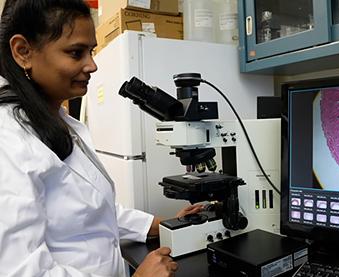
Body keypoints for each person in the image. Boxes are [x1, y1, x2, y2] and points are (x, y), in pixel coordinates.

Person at [0, 0, 203, 276]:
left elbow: (92, 213)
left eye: (92, 51)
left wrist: (163, 224)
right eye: (76, 53)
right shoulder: (7, 139)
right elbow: (20, 270)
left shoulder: (55, 120)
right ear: (23, 51)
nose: (92, 65)